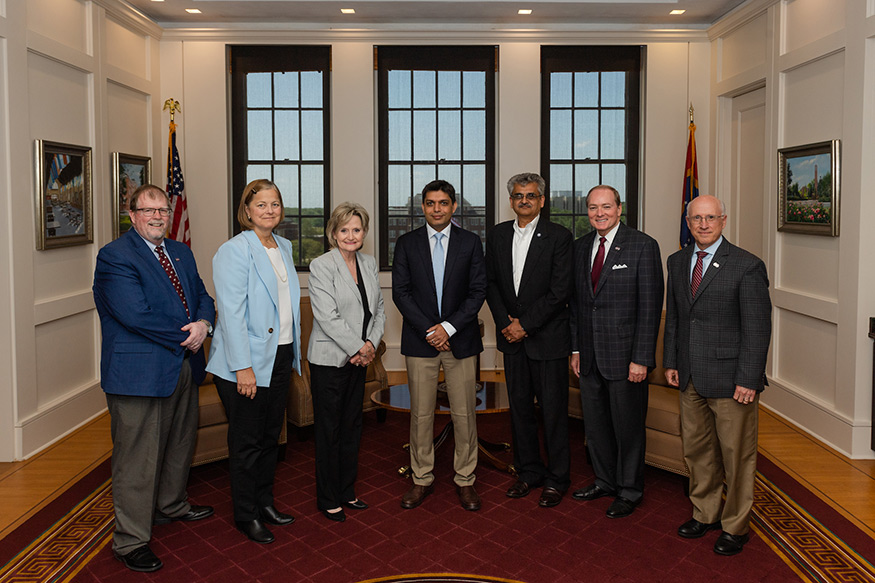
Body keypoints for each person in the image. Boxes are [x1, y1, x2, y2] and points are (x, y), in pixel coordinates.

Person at [93, 184, 215, 573]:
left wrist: (205, 322)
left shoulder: (180, 251)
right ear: (132, 215)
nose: (158, 216)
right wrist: (191, 333)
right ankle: (130, 541)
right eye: (149, 210)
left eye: (163, 209)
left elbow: (201, 296)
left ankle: (171, 505)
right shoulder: (114, 256)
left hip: (182, 363)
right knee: (136, 459)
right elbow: (136, 315)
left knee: (180, 442)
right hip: (138, 373)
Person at [664, 194, 771, 555]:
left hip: (731, 380)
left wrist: (749, 379)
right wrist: (671, 362)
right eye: (697, 218)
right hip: (690, 374)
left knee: (736, 456)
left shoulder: (746, 265)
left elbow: (758, 329)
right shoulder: (677, 261)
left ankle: (736, 526)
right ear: (688, 222)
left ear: (723, 221)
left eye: (711, 218)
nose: (704, 224)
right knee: (697, 452)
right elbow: (677, 319)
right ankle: (705, 512)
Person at [207, 179, 302, 545]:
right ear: (246, 210)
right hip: (242, 363)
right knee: (246, 443)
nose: (269, 211)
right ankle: (246, 515)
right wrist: (242, 367)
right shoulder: (234, 250)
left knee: (268, 438)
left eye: (275, 204)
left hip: (279, 355)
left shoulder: (285, 246)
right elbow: (231, 313)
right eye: (261, 204)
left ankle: (265, 503)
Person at [392, 179, 487, 511]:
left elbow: (478, 291)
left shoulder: (471, 242)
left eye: (443, 203)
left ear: (453, 206)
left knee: (464, 414)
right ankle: (421, 478)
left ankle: (465, 480)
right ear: (422, 207)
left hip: (460, 341)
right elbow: (400, 292)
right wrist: (430, 331)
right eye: (430, 203)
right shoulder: (406, 243)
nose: (437, 209)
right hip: (420, 342)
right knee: (420, 415)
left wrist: (448, 328)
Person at [570, 184, 664, 519]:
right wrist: (577, 348)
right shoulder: (580, 247)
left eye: (606, 207)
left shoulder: (642, 246)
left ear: (619, 209)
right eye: (593, 208)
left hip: (627, 359)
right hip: (590, 357)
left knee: (628, 427)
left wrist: (642, 358)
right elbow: (579, 306)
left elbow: (650, 308)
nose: (599, 213)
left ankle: (629, 490)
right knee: (595, 426)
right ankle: (604, 480)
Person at [485, 172, 573, 507]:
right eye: (519, 196)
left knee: (552, 412)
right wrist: (505, 323)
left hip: (547, 339)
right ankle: (528, 472)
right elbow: (490, 282)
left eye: (531, 196)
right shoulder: (496, 235)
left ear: (542, 200)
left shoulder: (559, 237)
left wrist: (526, 325)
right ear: (511, 201)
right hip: (511, 338)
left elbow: (560, 291)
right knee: (519, 410)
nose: (525, 201)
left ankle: (557, 478)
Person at [308, 202, 385, 523]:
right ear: (333, 233)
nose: (350, 235)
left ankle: (347, 490)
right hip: (330, 360)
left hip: (360, 357)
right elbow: (327, 316)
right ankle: (328, 496)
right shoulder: (321, 265)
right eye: (344, 230)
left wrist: (370, 346)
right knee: (330, 429)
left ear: (364, 232)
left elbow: (379, 309)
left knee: (353, 425)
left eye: (356, 229)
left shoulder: (368, 263)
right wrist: (358, 346)